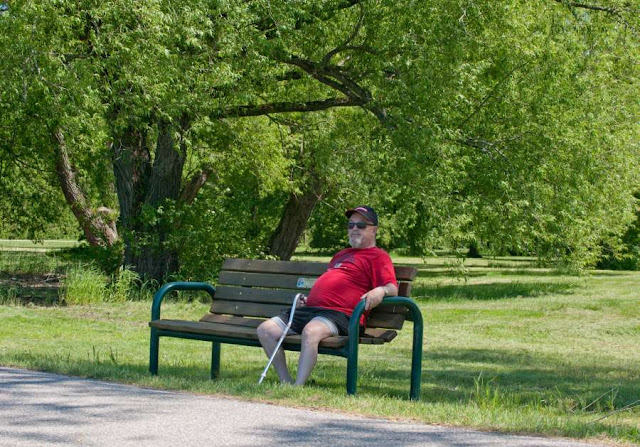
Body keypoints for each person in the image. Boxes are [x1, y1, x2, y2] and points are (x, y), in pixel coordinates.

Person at [257, 205, 398, 385]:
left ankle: (297, 386)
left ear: (374, 230)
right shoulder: (341, 255)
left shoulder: (378, 256)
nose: (354, 228)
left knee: (311, 331)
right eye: (351, 225)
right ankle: (285, 382)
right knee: (265, 330)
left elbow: (392, 287)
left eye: (361, 225)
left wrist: (381, 290)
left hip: (342, 315)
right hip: (312, 310)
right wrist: (309, 300)